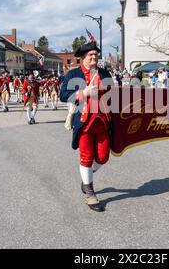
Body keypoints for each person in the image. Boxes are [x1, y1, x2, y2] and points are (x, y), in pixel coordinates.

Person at [59, 42, 112, 212]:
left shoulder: (104, 73)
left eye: (96, 55)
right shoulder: (73, 73)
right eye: (90, 55)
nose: (94, 57)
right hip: (84, 123)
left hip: (102, 121)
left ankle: (85, 177)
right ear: (83, 57)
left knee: (103, 157)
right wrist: (83, 93)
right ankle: (89, 191)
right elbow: (63, 96)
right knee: (86, 157)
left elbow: (113, 93)